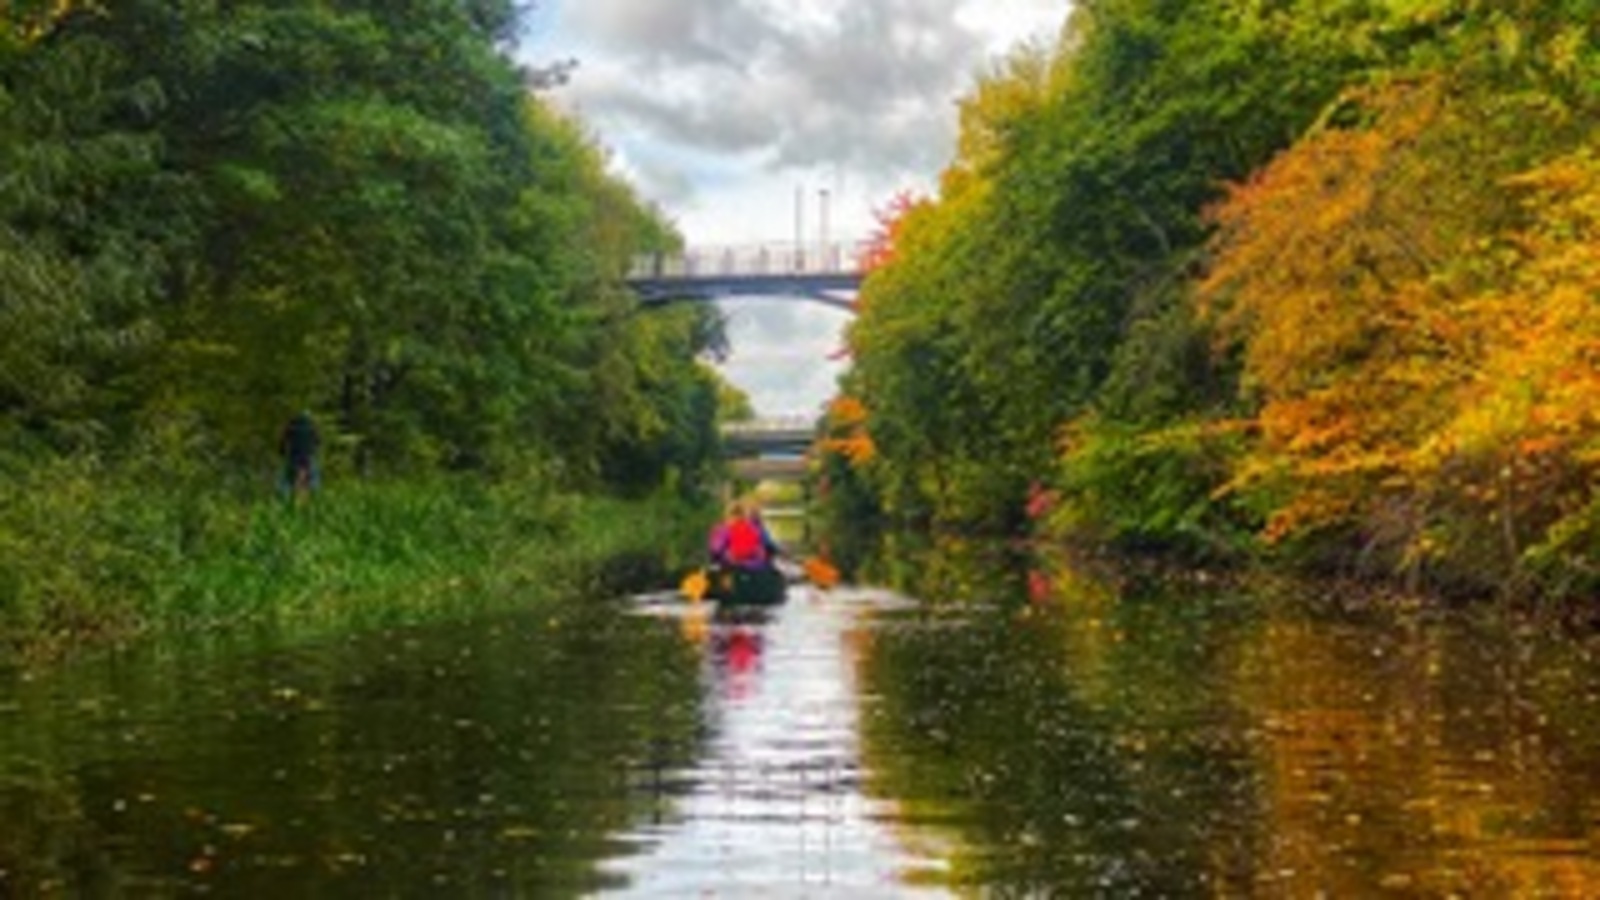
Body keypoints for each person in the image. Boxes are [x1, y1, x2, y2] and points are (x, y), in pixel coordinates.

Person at [279, 410, 320, 501]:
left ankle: (285, 497)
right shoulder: (312, 427)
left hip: (293, 457)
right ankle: (313, 495)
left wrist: (282, 453)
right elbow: (318, 442)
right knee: (313, 478)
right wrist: (314, 451)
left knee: (285, 479)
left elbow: (282, 442)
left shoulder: (290, 426)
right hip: (308, 457)